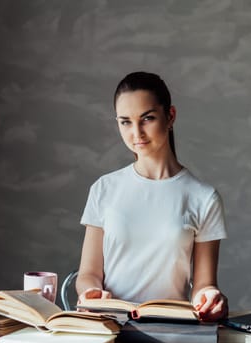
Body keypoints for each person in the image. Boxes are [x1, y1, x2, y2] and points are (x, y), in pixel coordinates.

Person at [76, 71, 228, 321]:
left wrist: (209, 295)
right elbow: (89, 273)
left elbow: (203, 284)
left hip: (171, 327)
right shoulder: (104, 189)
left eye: (147, 119)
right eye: (125, 121)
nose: (136, 133)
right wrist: (91, 291)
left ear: (170, 117)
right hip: (110, 324)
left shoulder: (204, 197)